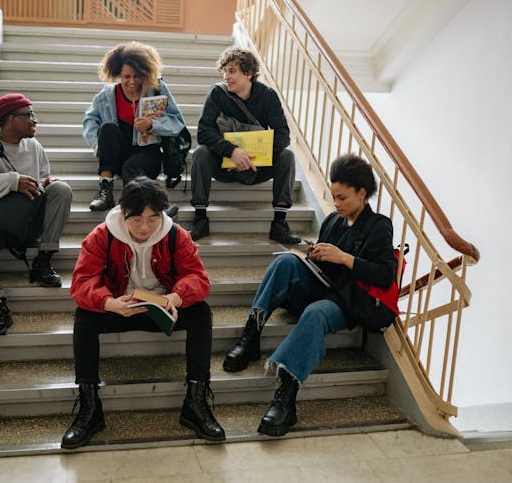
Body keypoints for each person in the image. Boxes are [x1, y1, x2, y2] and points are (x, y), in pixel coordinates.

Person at [222, 154, 396, 437]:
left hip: (347, 302)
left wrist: (343, 257)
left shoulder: (379, 225)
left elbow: (383, 275)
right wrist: (316, 255)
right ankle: (251, 335)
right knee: (285, 261)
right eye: (334, 197)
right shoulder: (332, 221)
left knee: (316, 313)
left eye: (342, 198)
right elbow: (324, 265)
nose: (336, 203)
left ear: (362, 193)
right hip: (323, 285)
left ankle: (286, 398)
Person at [62, 177, 225, 449]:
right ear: (123, 212)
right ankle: (90, 407)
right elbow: (81, 284)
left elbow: (198, 278)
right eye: (136, 219)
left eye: (153, 219)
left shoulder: (176, 235)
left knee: (200, 313)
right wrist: (110, 303)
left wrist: (175, 297)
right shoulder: (102, 235)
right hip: (120, 306)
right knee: (85, 316)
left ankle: (195, 402)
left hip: (160, 307)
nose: (145, 227)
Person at [0, 93, 73, 336]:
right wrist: (12, 181)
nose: (35, 120)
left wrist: (47, 183)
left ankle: (43, 261)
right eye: (29, 115)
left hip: (30, 222)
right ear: (11, 119)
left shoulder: (34, 146)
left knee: (61, 189)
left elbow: (43, 177)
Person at [189, 47, 300, 245]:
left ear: (249, 73)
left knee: (287, 156)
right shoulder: (217, 93)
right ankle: (200, 219)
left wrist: (250, 158)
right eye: (225, 71)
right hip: (224, 165)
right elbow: (204, 132)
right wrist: (232, 152)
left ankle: (279, 224)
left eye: (232, 71)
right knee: (200, 153)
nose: (226, 76)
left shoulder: (268, 96)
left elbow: (283, 135)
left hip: (256, 166)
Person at [83, 41, 185, 213]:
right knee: (107, 128)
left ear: (145, 73)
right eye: (126, 77)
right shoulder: (107, 95)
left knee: (131, 168)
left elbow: (176, 121)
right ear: (118, 75)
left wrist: (153, 124)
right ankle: (105, 192)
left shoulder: (156, 89)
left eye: (137, 76)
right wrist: (96, 144)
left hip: (148, 152)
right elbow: (90, 120)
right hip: (119, 151)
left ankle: (160, 206)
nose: (132, 81)